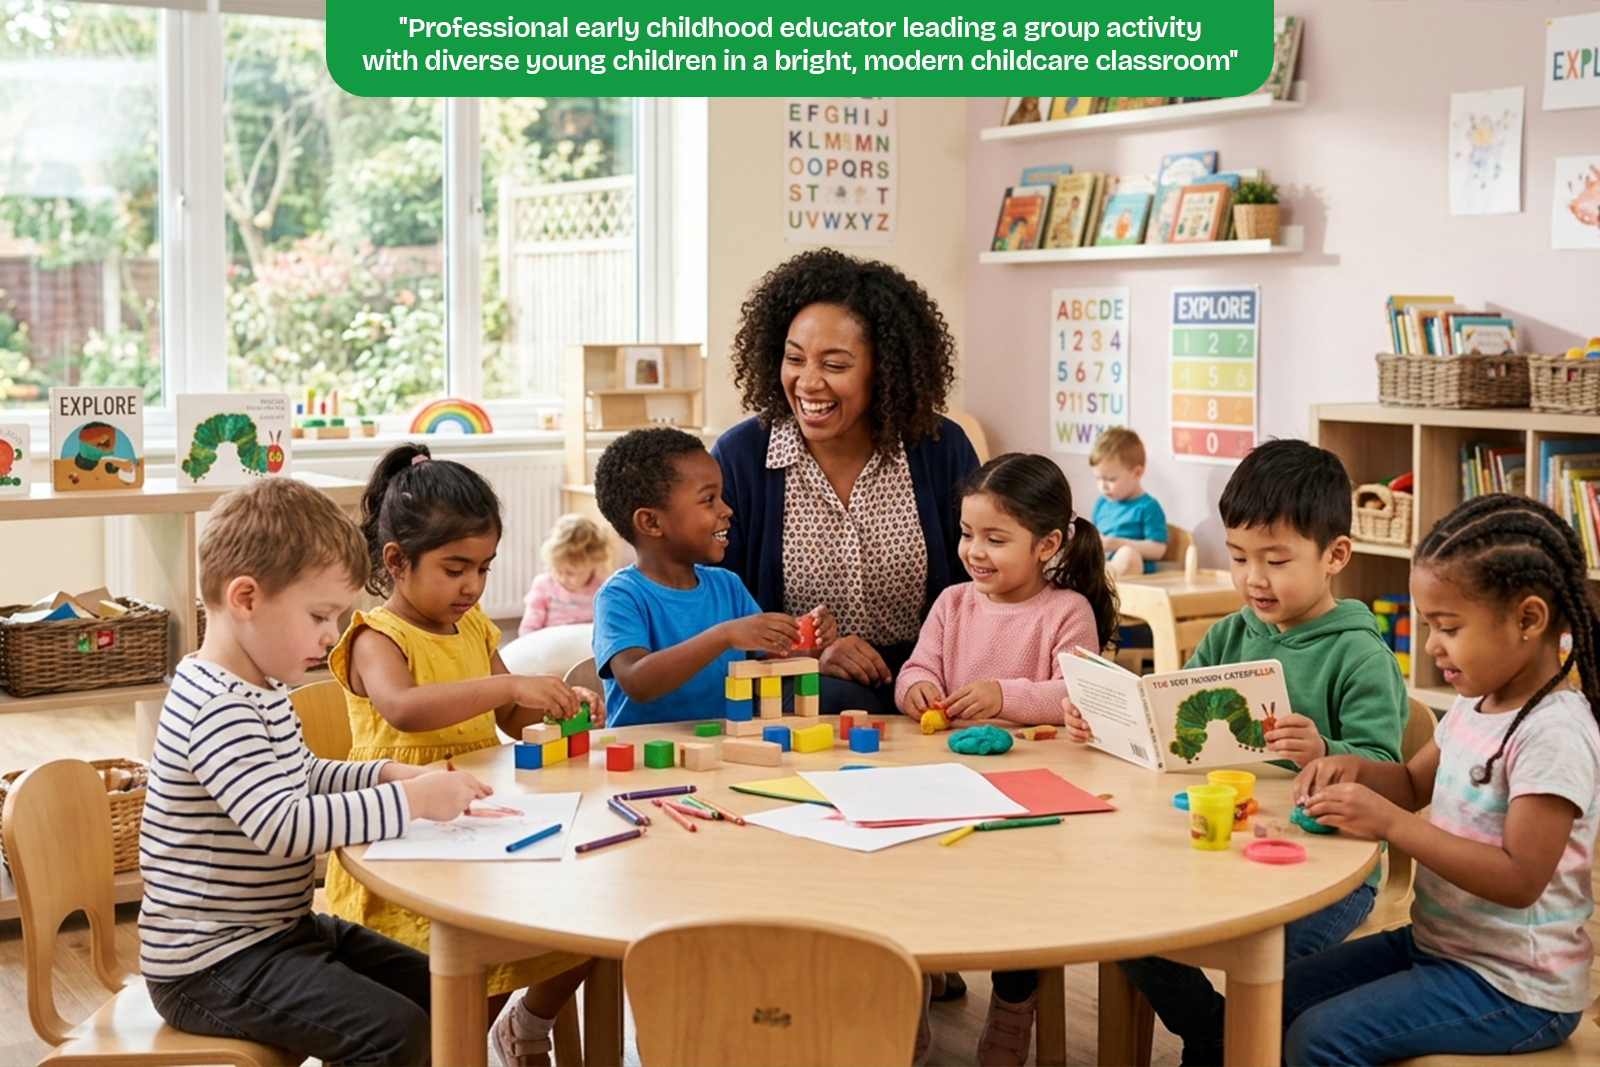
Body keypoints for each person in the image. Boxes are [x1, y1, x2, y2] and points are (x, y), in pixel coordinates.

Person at [1063, 438, 1406, 1067]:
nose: (1253, 577)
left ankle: (1233, 1041)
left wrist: (1325, 749)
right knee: (1125, 929)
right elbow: (1173, 722)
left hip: (1326, 863)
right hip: (1214, 841)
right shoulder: (1230, 633)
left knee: (1279, 960)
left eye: (1275, 560)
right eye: (1240, 555)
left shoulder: (1360, 653)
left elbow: (1392, 778)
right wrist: (1112, 721)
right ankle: (1217, 1034)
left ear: (1335, 555)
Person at [139, 477, 491, 1066]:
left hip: (278, 932)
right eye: (320, 616)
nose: (332, 635)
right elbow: (283, 825)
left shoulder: (262, 686)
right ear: (246, 598)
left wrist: (386, 776)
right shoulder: (215, 706)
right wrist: (415, 802)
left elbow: (298, 774)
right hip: (210, 962)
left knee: (448, 989)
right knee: (394, 1032)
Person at [1283, 495, 1600, 1064]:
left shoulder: (1554, 734)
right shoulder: (1476, 704)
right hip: (1439, 946)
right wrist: (1349, 765)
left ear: (1529, 619)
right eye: (1428, 624)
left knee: (1317, 1039)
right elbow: (1409, 783)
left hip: (1517, 986)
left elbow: (1520, 878)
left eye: (1447, 627)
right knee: (1274, 997)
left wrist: (1390, 823)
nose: (1430, 645)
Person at [326, 443, 598, 1067]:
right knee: (436, 997)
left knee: (580, 931)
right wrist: (509, 684)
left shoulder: (473, 628)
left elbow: (508, 714)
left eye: (484, 568)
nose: (473, 586)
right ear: (396, 561)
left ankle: (522, 1022)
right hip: (401, 835)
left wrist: (558, 703)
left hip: (476, 825)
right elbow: (405, 708)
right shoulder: (376, 636)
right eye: (455, 569)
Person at [894, 452, 1118, 1066]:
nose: (976, 552)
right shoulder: (953, 603)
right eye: (968, 535)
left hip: (1033, 789)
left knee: (1023, 905)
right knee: (909, 887)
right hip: (947, 780)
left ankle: (1014, 1007)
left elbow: (1078, 691)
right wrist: (912, 687)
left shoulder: (1065, 612)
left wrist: (1004, 694)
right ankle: (903, 1003)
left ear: (1047, 544)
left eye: (996, 538)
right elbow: (920, 665)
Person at [712, 248, 979, 717]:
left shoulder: (940, 449)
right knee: (839, 702)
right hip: (797, 688)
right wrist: (810, 657)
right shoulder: (741, 459)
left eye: (834, 365)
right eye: (795, 358)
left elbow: (979, 587)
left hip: (929, 683)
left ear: (885, 370)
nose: (808, 382)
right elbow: (711, 614)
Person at [591, 426, 835, 728]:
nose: (727, 509)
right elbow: (636, 681)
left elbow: (763, 663)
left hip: (722, 748)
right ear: (651, 522)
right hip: (641, 759)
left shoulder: (727, 585)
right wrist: (724, 636)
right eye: (709, 500)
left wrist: (809, 641)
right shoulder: (620, 596)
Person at [1088, 427, 1167, 576]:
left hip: (1134, 578)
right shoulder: (1101, 504)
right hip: (1102, 566)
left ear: (1137, 473)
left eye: (1110, 479)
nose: (1102, 486)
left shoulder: (1148, 507)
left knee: (1127, 554)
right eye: (1098, 478)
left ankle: (1104, 578)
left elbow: (1158, 550)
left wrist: (1116, 543)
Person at [518, 513, 610, 636]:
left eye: (570, 573)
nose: (562, 578)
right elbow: (528, 629)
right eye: (557, 570)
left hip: (584, 648)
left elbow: (607, 629)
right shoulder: (544, 586)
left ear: (593, 565)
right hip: (550, 646)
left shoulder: (602, 589)